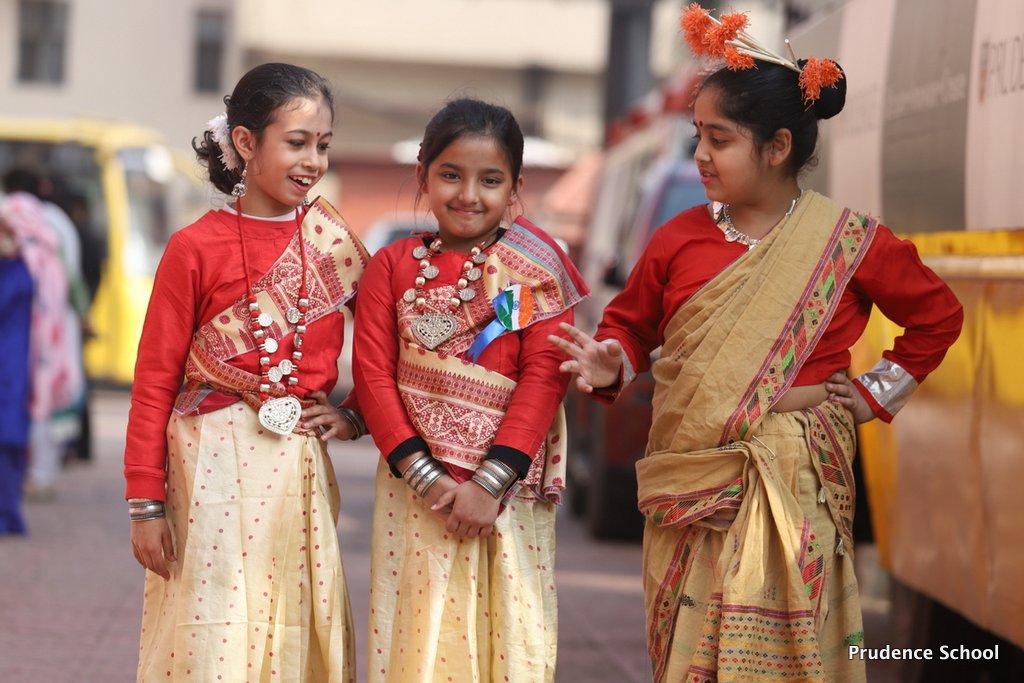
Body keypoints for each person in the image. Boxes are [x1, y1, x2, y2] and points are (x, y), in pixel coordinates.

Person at [549, 7, 964, 683]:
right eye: (697, 137)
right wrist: (611, 360)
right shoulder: (678, 238)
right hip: (694, 479)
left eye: (719, 139)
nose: (700, 156)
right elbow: (630, 326)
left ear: (776, 147)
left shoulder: (847, 241)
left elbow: (939, 316)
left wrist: (870, 396)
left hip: (797, 478)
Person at [123, 62, 369, 683]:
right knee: (212, 637)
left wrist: (355, 413)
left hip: (297, 469)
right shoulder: (194, 247)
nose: (313, 160)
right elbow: (154, 382)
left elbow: (392, 345)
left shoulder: (332, 243)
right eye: (297, 142)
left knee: (295, 624)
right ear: (245, 142)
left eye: (323, 144)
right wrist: (145, 505)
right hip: (207, 467)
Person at [352, 98, 588, 682]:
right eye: (450, 175)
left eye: (490, 180)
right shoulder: (391, 265)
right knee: (415, 639)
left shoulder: (532, 269)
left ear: (515, 188)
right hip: (414, 493)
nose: (468, 195)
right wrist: (431, 480)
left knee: (507, 637)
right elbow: (374, 378)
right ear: (422, 176)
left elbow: (542, 379)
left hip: (504, 495)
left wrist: (486, 486)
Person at [0, 174, 77, 503]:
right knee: (38, 407)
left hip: (17, 349)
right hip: (47, 340)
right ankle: (41, 475)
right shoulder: (53, 228)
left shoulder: (18, 265)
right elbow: (72, 277)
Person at [0, 211, 33, 534]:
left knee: (8, 439)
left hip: (10, 369)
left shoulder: (15, 273)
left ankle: (8, 512)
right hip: (13, 367)